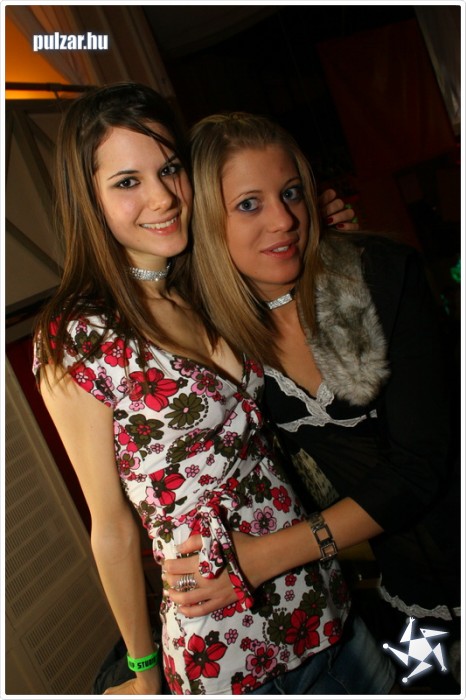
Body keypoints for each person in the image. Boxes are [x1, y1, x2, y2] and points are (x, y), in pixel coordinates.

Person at [32, 83, 395, 696]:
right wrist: (143, 672)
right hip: (227, 654)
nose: (163, 197)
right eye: (127, 181)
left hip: (326, 609)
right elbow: (111, 524)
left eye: (170, 169)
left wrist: (322, 237)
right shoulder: (80, 337)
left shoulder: (207, 284)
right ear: (88, 200)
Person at [162, 111, 461, 690]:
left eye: (291, 192)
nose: (284, 219)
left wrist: (263, 558)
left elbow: (423, 464)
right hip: (409, 600)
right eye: (249, 204)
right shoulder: (217, 346)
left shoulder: (378, 276)